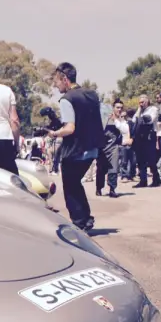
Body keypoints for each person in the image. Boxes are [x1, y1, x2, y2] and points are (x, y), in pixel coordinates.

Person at [48, 62, 105, 231]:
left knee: (70, 187)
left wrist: (54, 133)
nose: (56, 86)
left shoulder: (67, 99)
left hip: (75, 151)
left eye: (57, 82)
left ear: (65, 79)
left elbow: (70, 128)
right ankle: (86, 218)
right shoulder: (92, 95)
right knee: (76, 183)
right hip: (93, 149)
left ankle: (80, 222)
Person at [131, 94, 161, 188]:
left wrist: (143, 115)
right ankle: (143, 181)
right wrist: (139, 109)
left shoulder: (153, 109)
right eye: (140, 102)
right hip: (140, 137)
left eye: (143, 101)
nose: (141, 103)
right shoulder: (139, 110)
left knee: (151, 159)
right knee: (140, 160)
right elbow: (133, 120)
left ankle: (156, 179)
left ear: (148, 101)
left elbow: (150, 120)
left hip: (149, 136)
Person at [96, 99, 124, 198]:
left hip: (114, 147)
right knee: (101, 169)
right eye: (117, 107)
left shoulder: (122, 119)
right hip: (102, 147)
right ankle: (99, 188)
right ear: (113, 108)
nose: (119, 110)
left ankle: (112, 189)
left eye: (121, 108)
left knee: (114, 168)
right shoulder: (106, 118)